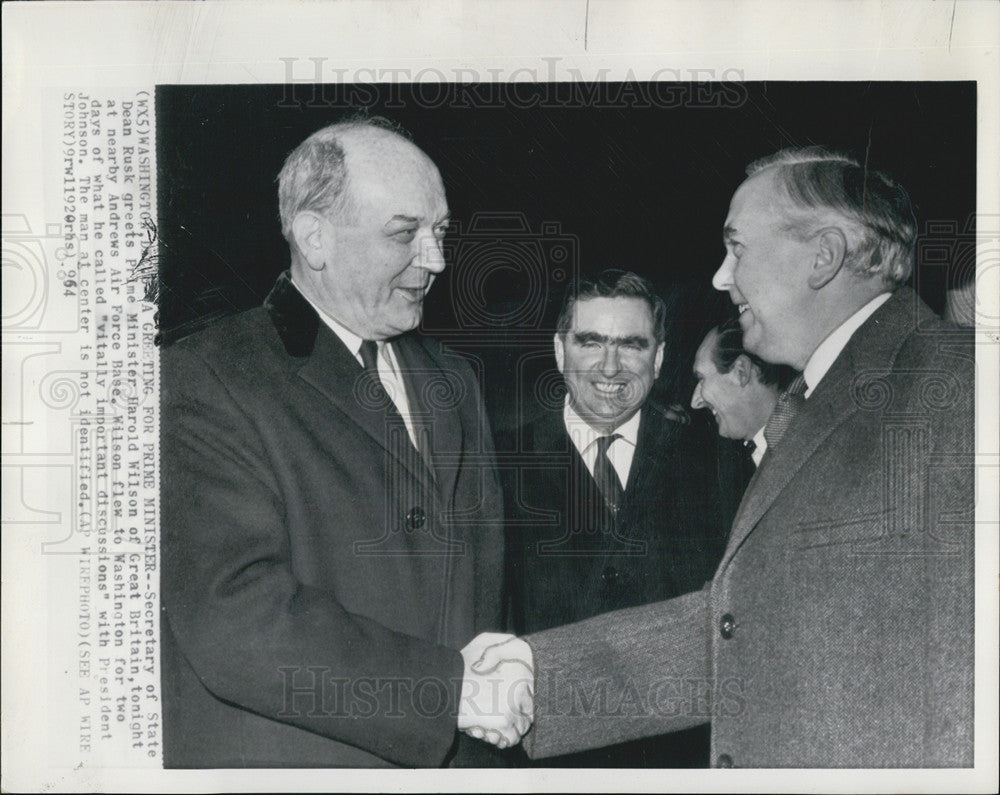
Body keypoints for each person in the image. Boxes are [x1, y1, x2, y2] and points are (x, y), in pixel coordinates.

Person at [467, 146, 975, 767]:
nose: (720, 277)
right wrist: (538, 671)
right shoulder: (825, 402)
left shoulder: (964, 384)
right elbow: (755, 626)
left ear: (824, 256)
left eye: (738, 248)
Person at [160, 117, 517, 767]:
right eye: (405, 233)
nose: (436, 260)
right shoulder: (206, 374)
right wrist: (447, 691)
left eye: (440, 234)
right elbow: (235, 619)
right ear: (314, 237)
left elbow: (485, 591)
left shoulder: (454, 380)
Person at [499, 270, 728, 766]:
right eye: (590, 342)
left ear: (660, 357)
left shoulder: (715, 461)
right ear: (560, 351)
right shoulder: (499, 466)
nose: (610, 366)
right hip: (543, 764)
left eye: (630, 345)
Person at [691, 318, 797, 467]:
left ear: (741, 372)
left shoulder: (800, 446)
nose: (695, 402)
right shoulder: (784, 445)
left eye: (702, 379)